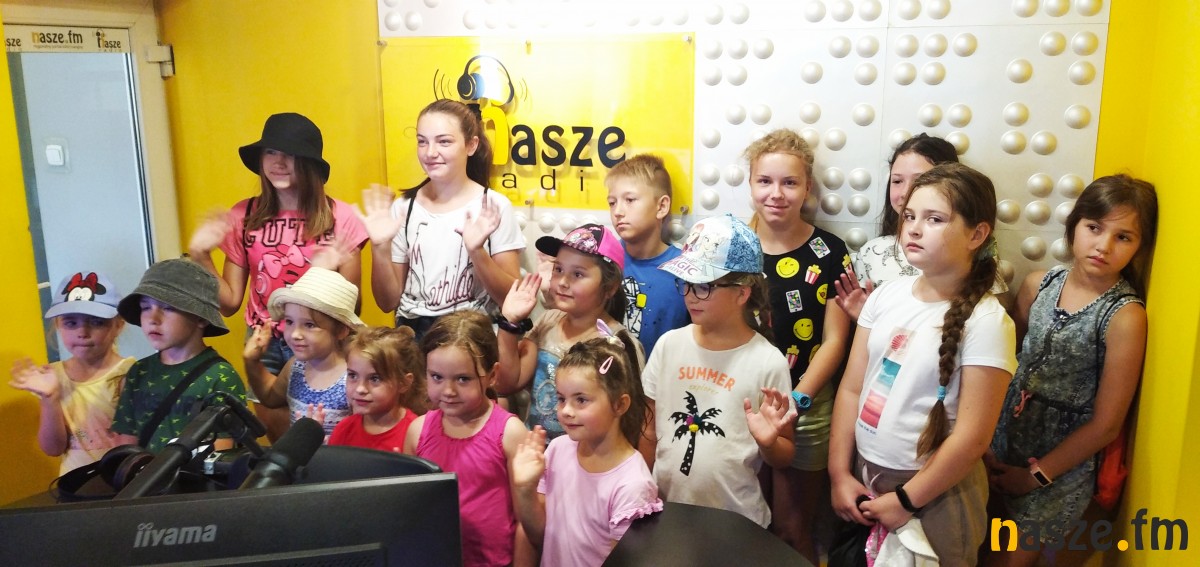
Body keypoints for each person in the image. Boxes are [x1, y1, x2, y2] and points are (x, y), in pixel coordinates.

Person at [829, 163, 1017, 565]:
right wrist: (839, 473)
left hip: (937, 495)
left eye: (934, 219)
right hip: (866, 478)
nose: (913, 229)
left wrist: (906, 500)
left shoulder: (987, 321)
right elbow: (851, 389)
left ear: (977, 234)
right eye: (909, 216)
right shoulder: (885, 296)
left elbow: (972, 437)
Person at [984, 175, 1158, 565]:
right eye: (1094, 227)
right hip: (1002, 441)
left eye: (1123, 237)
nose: (1104, 246)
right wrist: (984, 440)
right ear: (1074, 225)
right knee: (977, 545)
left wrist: (1035, 476)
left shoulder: (1125, 316)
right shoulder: (1038, 285)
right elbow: (1004, 365)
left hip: (1058, 466)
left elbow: (1106, 424)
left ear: (1140, 246)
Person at [188, 112, 368, 439]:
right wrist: (201, 255)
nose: (278, 162)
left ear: (309, 163)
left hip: (321, 338)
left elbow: (351, 309)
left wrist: (323, 272)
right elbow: (229, 302)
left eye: (290, 154)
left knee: (326, 437)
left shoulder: (341, 216)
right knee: (280, 442)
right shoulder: (244, 214)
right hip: (265, 338)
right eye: (270, 152)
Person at [643, 213, 798, 528]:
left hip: (736, 523)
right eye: (686, 283)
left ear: (742, 292)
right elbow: (648, 431)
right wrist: (641, 492)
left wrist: (769, 443)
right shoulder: (669, 345)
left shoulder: (767, 361)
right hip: (667, 513)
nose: (690, 295)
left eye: (704, 286)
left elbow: (784, 454)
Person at [744, 128, 851, 560]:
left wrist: (798, 399)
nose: (776, 193)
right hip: (744, 400)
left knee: (792, 529)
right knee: (747, 521)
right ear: (750, 183)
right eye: (765, 181)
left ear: (807, 188)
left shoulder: (830, 252)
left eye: (789, 182)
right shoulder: (734, 247)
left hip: (806, 404)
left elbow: (835, 340)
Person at [363, 99, 525, 338]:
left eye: (444, 141)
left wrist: (477, 251)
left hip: (471, 337)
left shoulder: (493, 205)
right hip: (414, 337)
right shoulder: (404, 207)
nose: (430, 152)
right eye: (422, 141)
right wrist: (379, 247)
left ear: (471, 145)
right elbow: (387, 302)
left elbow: (512, 300)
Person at [511, 333, 663, 567]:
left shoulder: (633, 485)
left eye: (581, 400)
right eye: (561, 399)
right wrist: (524, 489)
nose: (566, 411)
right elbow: (539, 534)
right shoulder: (558, 449)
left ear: (619, 404)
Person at [835, 133, 1009, 321]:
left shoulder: (968, 251)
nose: (906, 192)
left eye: (922, 181)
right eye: (897, 181)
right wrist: (866, 318)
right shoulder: (873, 252)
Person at [404, 311, 529, 567]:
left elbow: (525, 523)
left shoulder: (510, 433)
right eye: (436, 377)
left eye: (463, 379)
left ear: (492, 375)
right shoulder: (417, 431)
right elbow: (409, 509)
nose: (448, 391)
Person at [496, 224, 642, 440]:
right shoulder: (547, 321)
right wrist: (509, 323)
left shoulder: (617, 343)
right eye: (558, 270)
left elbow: (630, 422)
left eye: (578, 274)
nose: (563, 282)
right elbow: (507, 383)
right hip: (538, 452)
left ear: (610, 287)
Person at [111, 259, 247, 452]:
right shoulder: (139, 372)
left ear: (200, 318)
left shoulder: (220, 377)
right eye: (146, 307)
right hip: (143, 472)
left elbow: (221, 452)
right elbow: (125, 446)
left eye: (167, 308)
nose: (153, 319)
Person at [9, 271, 135, 474]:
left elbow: (132, 449)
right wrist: (50, 398)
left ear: (118, 326)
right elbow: (53, 448)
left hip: (120, 483)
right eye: (71, 323)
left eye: (96, 322)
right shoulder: (52, 376)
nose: (82, 332)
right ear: (58, 325)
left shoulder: (130, 373)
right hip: (73, 483)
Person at [243, 267, 363, 436]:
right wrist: (252, 362)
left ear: (342, 330)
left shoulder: (353, 377)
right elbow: (270, 398)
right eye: (289, 322)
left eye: (309, 325)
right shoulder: (295, 367)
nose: (295, 334)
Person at [605, 154, 689, 355]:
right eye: (612, 202)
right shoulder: (604, 262)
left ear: (661, 206)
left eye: (630, 200)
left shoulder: (686, 270)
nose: (618, 211)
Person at [328, 326, 426, 452]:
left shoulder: (416, 434)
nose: (360, 389)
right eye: (353, 375)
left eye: (375, 379)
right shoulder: (344, 429)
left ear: (403, 383)